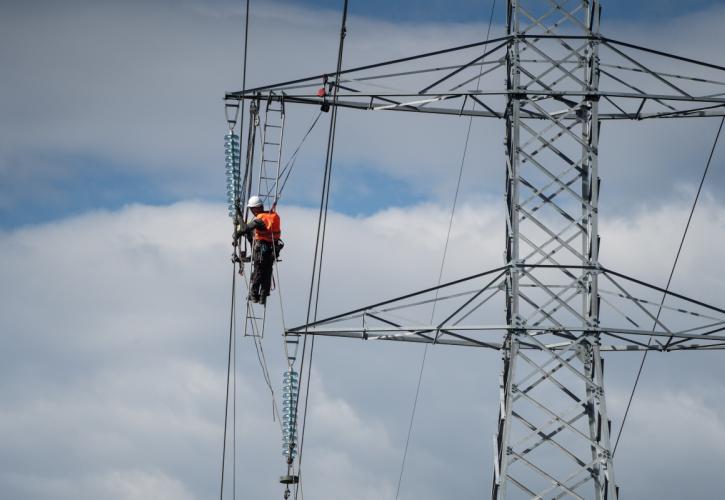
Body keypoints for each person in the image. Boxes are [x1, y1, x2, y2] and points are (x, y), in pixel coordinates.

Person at [237, 196, 282, 305]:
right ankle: (263, 296)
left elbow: (244, 229)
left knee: (258, 272)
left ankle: (254, 295)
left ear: (255, 208)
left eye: (252, 209)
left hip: (261, 250)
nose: (252, 212)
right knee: (267, 272)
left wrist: (238, 217)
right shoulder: (273, 216)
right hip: (272, 250)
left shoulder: (260, 219)